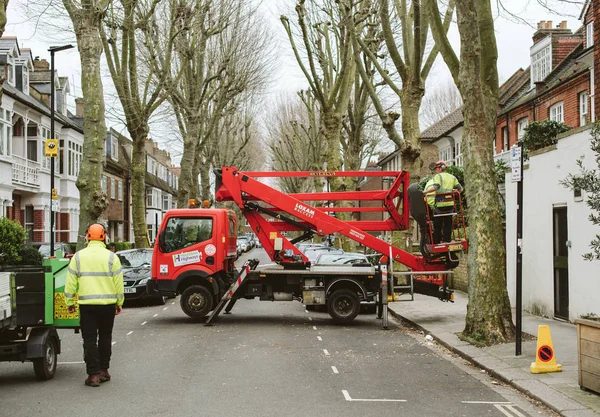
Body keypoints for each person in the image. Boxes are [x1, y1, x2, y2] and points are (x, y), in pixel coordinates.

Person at [64, 224, 124, 387]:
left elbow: (70, 282)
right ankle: (104, 370)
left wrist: (69, 302)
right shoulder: (112, 257)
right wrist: (119, 302)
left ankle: (93, 375)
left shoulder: (78, 257)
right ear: (104, 237)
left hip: (87, 305)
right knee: (105, 337)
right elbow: (119, 283)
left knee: (89, 339)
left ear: (87, 237)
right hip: (107, 305)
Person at [424, 161, 463, 244]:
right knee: (448, 223)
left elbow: (436, 187)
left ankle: (437, 241)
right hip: (450, 204)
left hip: (440, 204)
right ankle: (447, 240)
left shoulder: (438, 176)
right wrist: (452, 191)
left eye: (436, 169)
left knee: (438, 224)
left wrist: (426, 192)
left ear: (440, 168)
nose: (436, 171)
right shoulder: (452, 177)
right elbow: (460, 189)